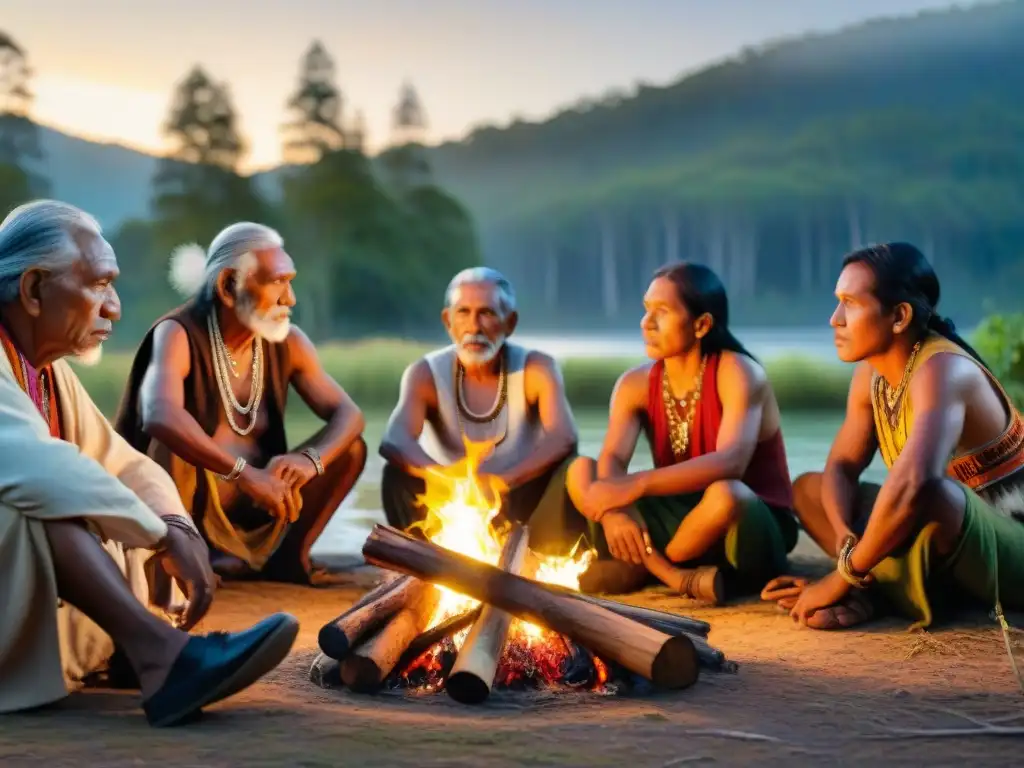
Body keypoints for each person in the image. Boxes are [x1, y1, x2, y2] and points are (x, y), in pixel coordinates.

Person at [0, 200, 298, 726]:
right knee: (50, 504)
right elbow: (42, 468)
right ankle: (161, 655)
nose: (113, 307)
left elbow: (123, 464)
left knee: (121, 501)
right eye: (98, 285)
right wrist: (159, 536)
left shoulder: (44, 371)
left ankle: (123, 649)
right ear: (32, 290)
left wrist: (176, 525)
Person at [772, 242, 1024, 630]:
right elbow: (841, 466)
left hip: (1010, 548)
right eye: (837, 302)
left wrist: (839, 578)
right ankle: (889, 588)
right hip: (940, 543)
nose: (834, 319)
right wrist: (843, 537)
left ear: (899, 316)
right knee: (808, 490)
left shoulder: (942, 371)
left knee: (935, 493)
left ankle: (875, 591)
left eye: (850, 303)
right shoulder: (870, 373)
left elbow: (914, 485)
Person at [114, 223, 366, 585]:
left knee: (347, 450)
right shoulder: (178, 333)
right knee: (173, 446)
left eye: (290, 281)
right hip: (190, 510)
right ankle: (181, 557)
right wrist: (245, 476)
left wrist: (309, 462)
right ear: (229, 286)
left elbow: (350, 414)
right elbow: (160, 415)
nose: (289, 298)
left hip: (262, 504)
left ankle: (288, 558)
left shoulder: (288, 342)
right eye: (277, 282)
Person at [566, 263, 798, 603]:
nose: (646, 323)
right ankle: (671, 573)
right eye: (646, 310)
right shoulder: (635, 384)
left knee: (726, 493)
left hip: (744, 520)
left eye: (662, 312)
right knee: (580, 469)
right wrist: (616, 515)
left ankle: (647, 568)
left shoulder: (738, 372)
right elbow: (613, 459)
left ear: (702, 324)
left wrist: (636, 484)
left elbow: (731, 462)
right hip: (680, 516)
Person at [379, 267, 583, 554]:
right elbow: (395, 440)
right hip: (446, 501)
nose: (474, 327)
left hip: (517, 499)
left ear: (509, 323)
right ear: (447, 321)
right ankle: (425, 558)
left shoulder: (537, 368)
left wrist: (501, 481)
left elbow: (564, 437)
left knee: (571, 469)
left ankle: (538, 556)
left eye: (486, 313)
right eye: (463, 312)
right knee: (396, 476)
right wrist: (447, 479)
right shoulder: (424, 373)